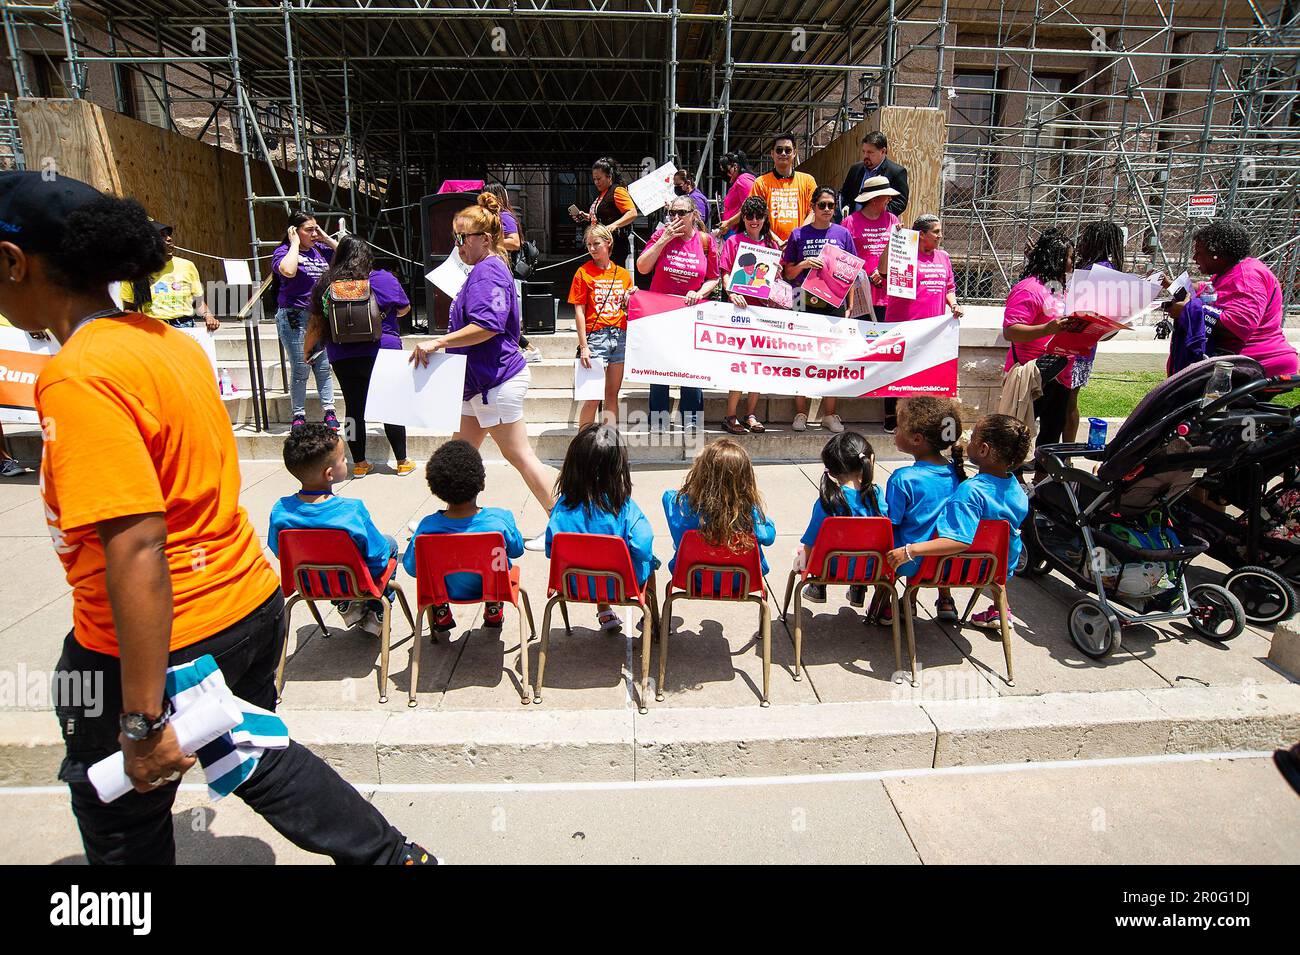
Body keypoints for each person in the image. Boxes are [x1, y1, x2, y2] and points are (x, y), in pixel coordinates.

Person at [2, 171, 433, 864]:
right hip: (245, 608)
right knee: (255, 753)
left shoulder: (80, 374)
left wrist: (142, 722)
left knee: (120, 814)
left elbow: (138, 543)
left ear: (14, 262)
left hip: (154, 641)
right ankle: (395, 858)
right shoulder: (167, 344)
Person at [410, 192, 554, 547]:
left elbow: (488, 325)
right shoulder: (485, 269)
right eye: (454, 237)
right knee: (461, 452)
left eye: (462, 238)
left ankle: (565, 524)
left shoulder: (488, 270)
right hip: (480, 382)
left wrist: (438, 343)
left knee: (520, 456)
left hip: (494, 380)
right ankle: (447, 517)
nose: (456, 245)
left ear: (484, 239)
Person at [886, 413, 1031, 632]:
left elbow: (958, 541)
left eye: (972, 439)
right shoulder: (1016, 490)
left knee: (918, 529)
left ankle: (902, 603)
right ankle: (998, 608)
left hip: (957, 569)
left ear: (983, 450)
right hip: (994, 570)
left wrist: (910, 550)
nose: (967, 442)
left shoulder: (970, 491)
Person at [267, 424, 398, 638]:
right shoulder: (352, 511)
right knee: (390, 543)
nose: (346, 461)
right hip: (355, 582)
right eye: (343, 459)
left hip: (310, 584)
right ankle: (377, 613)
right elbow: (378, 556)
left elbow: (279, 551)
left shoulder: (280, 511)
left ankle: (346, 604)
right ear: (329, 474)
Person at [303, 236, 415, 477]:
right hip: (382, 351)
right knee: (391, 406)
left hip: (343, 354)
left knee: (353, 409)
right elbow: (404, 308)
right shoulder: (383, 278)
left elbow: (315, 324)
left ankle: (361, 463)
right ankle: (402, 461)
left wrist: (307, 349)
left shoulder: (326, 284)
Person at [545, 424, 658, 631]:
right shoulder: (624, 508)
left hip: (574, 585)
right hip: (621, 585)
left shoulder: (560, 508)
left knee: (590, 555)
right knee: (651, 563)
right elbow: (643, 549)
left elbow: (551, 550)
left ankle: (604, 611)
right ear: (617, 467)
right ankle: (652, 623)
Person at [404, 439, 524, 634]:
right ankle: (493, 607)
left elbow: (412, 569)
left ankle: (441, 610)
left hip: (445, 588)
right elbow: (517, 551)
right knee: (498, 563)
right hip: (493, 586)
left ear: (435, 488)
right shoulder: (500, 520)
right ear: (482, 483)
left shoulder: (426, 528)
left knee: (434, 571)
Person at [1165, 220, 1298, 377]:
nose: (1194, 258)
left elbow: (1239, 324)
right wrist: (1171, 285)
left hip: (1256, 364)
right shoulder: (1229, 272)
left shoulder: (1247, 277)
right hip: (1241, 361)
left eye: (1199, 252)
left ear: (1216, 254)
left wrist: (1186, 310)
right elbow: (1207, 290)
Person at [637, 193, 720, 430]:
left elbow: (713, 278)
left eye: (681, 213)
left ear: (694, 215)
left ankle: (691, 419)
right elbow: (642, 268)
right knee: (660, 365)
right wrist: (663, 239)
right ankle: (659, 419)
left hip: (690, 313)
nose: (675, 217)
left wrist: (700, 293)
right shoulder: (660, 235)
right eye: (672, 212)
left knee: (690, 366)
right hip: (660, 313)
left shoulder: (705, 241)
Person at [877, 214, 962, 433]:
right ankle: (892, 416)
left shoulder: (943, 257)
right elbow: (883, 270)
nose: (940, 236)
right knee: (897, 372)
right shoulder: (904, 253)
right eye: (936, 232)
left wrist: (953, 305)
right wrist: (891, 242)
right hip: (903, 326)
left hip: (932, 329)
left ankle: (918, 419)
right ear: (921, 234)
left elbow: (949, 288)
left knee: (924, 375)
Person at [886, 396, 966, 623]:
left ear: (917, 439)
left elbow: (891, 523)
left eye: (899, 427)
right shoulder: (958, 474)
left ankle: (906, 601)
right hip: (951, 564)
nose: (895, 431)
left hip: (912, 561)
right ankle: (945, 598)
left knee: (897, 535)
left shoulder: (903, 479)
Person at [784, 186, 856, 434]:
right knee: (802, 357)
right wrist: (804, 263)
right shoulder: (798, 234)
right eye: (822, 205)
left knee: (832, 359)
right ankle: (801, 413)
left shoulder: (843, 234)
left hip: (833, 302)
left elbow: (850, 273)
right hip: (801, 299)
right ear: (812, 207)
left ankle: (829, 414)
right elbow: (787, 273)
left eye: (831, 205)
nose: (827, 210)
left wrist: (850, 304)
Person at [1001, 227, 1073, 449]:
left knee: (1052, 432)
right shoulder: (1028, 289)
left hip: (1060, 374)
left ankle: (1043, 478)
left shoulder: (1060, 289)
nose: (1072, 263)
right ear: (1057, 258)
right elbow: (1010, 330)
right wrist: (1047, 329)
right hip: (1032, 372)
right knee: (1018, 434)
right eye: (1070, 257)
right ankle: (1016, 478)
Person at [798, 430, 887, 607]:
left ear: (830, 468)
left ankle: (818, 584)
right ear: (868, 461)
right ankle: (858, 588)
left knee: (808, 550)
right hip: (871, 568)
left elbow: (811, 538)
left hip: (830, 567)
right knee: (859, 547)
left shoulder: (828, 501)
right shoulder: (876, 495)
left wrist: (804, 562)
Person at [662, 437, 776, 574]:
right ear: (745, 478)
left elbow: (669, 496)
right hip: (741, 580)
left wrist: (699, 467)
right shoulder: (748, 510)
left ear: (701, 471)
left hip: (692, 578)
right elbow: (768, 538)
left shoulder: (678, 504)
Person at [718, 195, 783, 434]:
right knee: (739, 363)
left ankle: (751, 414)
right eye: (749, 216)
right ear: (743, 218)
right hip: (740, 311)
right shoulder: (733, 241)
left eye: (758, 216)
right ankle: (730, 415)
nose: (754, 220)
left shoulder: (772, 246)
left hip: (764, 312)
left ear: (765, 218)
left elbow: (777, 277)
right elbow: (725, 273)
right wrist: (731, 292)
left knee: (760, 364)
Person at [274, 211, 340, 430]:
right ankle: (299, 415)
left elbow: (347, 254)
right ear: (294, 231)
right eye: (308, 230)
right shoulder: (283, 252)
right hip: (295, 317)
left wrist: (324, 237)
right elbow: (289, 271)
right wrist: (294, 244)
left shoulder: (320, 250)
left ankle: (329, 411)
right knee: (301, 367)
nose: (313, 234)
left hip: (318, 316)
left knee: (323, 367)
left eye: (316, 229)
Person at [570, 223, 635, 428]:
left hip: (619, 335)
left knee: (611, 395)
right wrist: (584, 347)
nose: (592, 248)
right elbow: (579, 311)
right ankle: (583, 442)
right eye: (589, 244)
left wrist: (629, 298)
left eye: (596, 243)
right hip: (596, 336)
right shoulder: (583, 272)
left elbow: (626, 307)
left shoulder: (623, 274)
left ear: (608, 243)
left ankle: (609, 443)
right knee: (592, 397)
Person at [1069, 221, 1126, 441]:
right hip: (1076, 340)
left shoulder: (1101, 271)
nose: (1081, 242)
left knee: (1068, 400)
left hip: (1079, 344)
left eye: (1085, 238)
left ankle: (1065, 454)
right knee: (1064, 400)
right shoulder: (1092, 268)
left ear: (1096, 242)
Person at [120, 221, 219, 332]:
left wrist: (208, 316)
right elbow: (129, 308)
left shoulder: (187, 266)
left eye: (168, 235)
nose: (169, 239)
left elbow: (198, 300)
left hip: (185, 327)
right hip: (152, 329)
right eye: (162, 236)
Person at [844, 176, 901, 321]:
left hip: (887, 293)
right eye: (886, 196)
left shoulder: (893, 220)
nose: (890, 200)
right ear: (874, 199)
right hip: (860, 293)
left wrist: (883, 271)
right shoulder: (850, 222)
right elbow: (843, 258)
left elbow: (899, 254)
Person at [748, 133, 817, 245]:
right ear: (772, 153)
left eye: (788, 150)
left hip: (800, 244)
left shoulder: (808, 181)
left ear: (795, 153)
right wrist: (776, 240)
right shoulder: (760, 183)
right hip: (769, 246)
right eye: (779, 150)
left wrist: (797, 236)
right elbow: (756, 216)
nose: (783, 153)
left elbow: (814, 212)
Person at [572, 157, 637, 270]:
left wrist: (614, 225)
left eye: (599, 178)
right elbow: (603, 217)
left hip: (613, 247)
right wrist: (587, 217)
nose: (596, 182)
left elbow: (632, 212)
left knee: (610, 277)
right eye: (594, 179)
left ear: (609, 177)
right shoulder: (603, 193)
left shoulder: (617, 191)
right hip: (601, 246)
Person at [839, 131, 909, 218]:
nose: (865, 156)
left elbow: (900, 203)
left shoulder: (896, 172)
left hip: (879, 226)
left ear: (883, 151)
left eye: (870, 152)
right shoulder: (855, 169)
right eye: (864, 151)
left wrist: (876, 214)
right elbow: (845, 195)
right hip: (854, 224)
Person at [714, 151, 757, 239]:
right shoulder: (741, 180)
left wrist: (729, 223)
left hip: (738, 233)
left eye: (726, 170)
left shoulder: (743, 180)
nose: (726, 175)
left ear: (735, 167)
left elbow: (751, 208)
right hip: (734, 231)